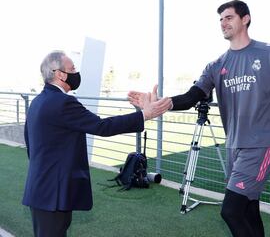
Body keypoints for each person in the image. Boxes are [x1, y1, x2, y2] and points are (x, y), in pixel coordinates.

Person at [128, 0, 270, 237]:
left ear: (245, 19)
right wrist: (162, 104)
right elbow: (192, 96)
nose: (223, 23)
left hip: (262, 144)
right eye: (220, 19)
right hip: (234, 146)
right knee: (248, 208)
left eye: (228, 17)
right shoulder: (216, 65)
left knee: (231, 211)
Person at [22, 50, 172, 237]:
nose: (76, 72)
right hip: (53, 195)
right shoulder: (63, 103)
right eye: (73, 68)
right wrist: (144, 115)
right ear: (60, 74)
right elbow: (102, 127)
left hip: (41, 190)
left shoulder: (37, 101)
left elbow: (30, 144)